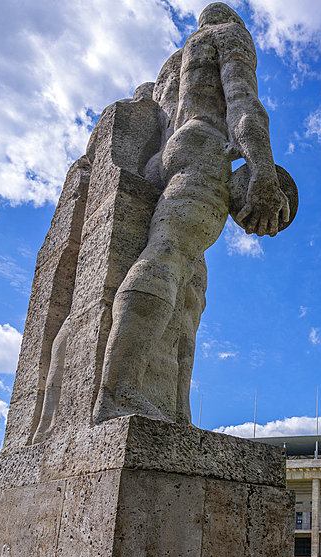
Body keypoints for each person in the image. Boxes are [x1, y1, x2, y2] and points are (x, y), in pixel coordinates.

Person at [93, 3, 289, 425]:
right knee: (168, 254)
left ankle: (175, 409)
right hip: (204, 143)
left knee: (192, 288)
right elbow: (244, 105)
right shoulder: (228, 36)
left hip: (168, 154)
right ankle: (117, 394)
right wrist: (263, 171)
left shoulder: (174, 62)